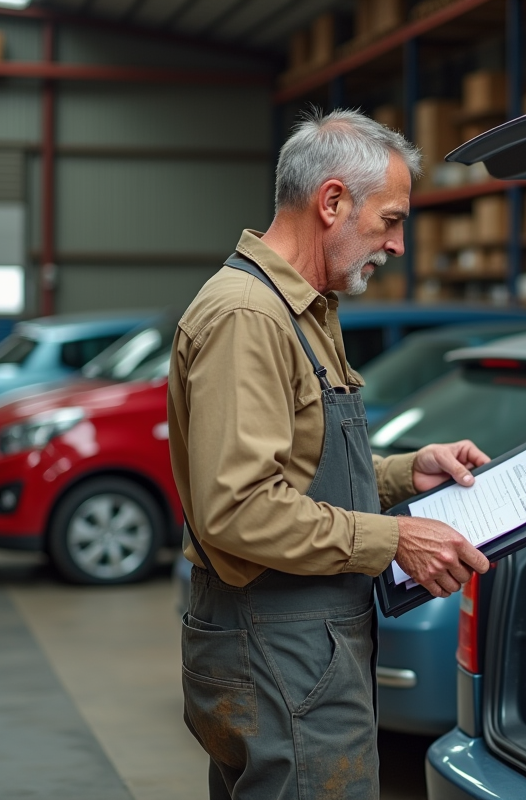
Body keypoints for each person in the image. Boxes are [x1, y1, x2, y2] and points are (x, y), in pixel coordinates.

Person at [167, 108, 491, 800]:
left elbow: (299, 472)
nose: (398, 244)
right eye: (391, 220)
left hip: (300, 644)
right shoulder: (249, 317)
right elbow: (239, 509)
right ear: (333, 201)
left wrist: (404, 474)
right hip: (278, 647)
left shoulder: (303, 309)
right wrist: (394, 539)